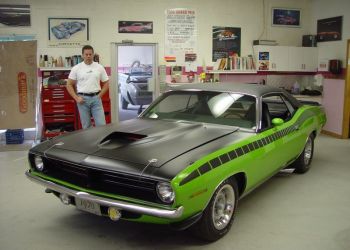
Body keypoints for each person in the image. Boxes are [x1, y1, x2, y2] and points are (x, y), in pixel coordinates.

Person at [66, 45, 109, 129]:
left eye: (90, 54)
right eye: (86, 54)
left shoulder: (99, 67)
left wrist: (99, 96)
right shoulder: (76, 68)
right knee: (86, 126)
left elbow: (106, 83)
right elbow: (69, 84)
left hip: (96, 99)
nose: (88, 56)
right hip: (82, 100)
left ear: (93, 55)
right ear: (82, 55)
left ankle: (100, 142)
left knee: (101, 125)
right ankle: (91, 142)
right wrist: (76, 98)